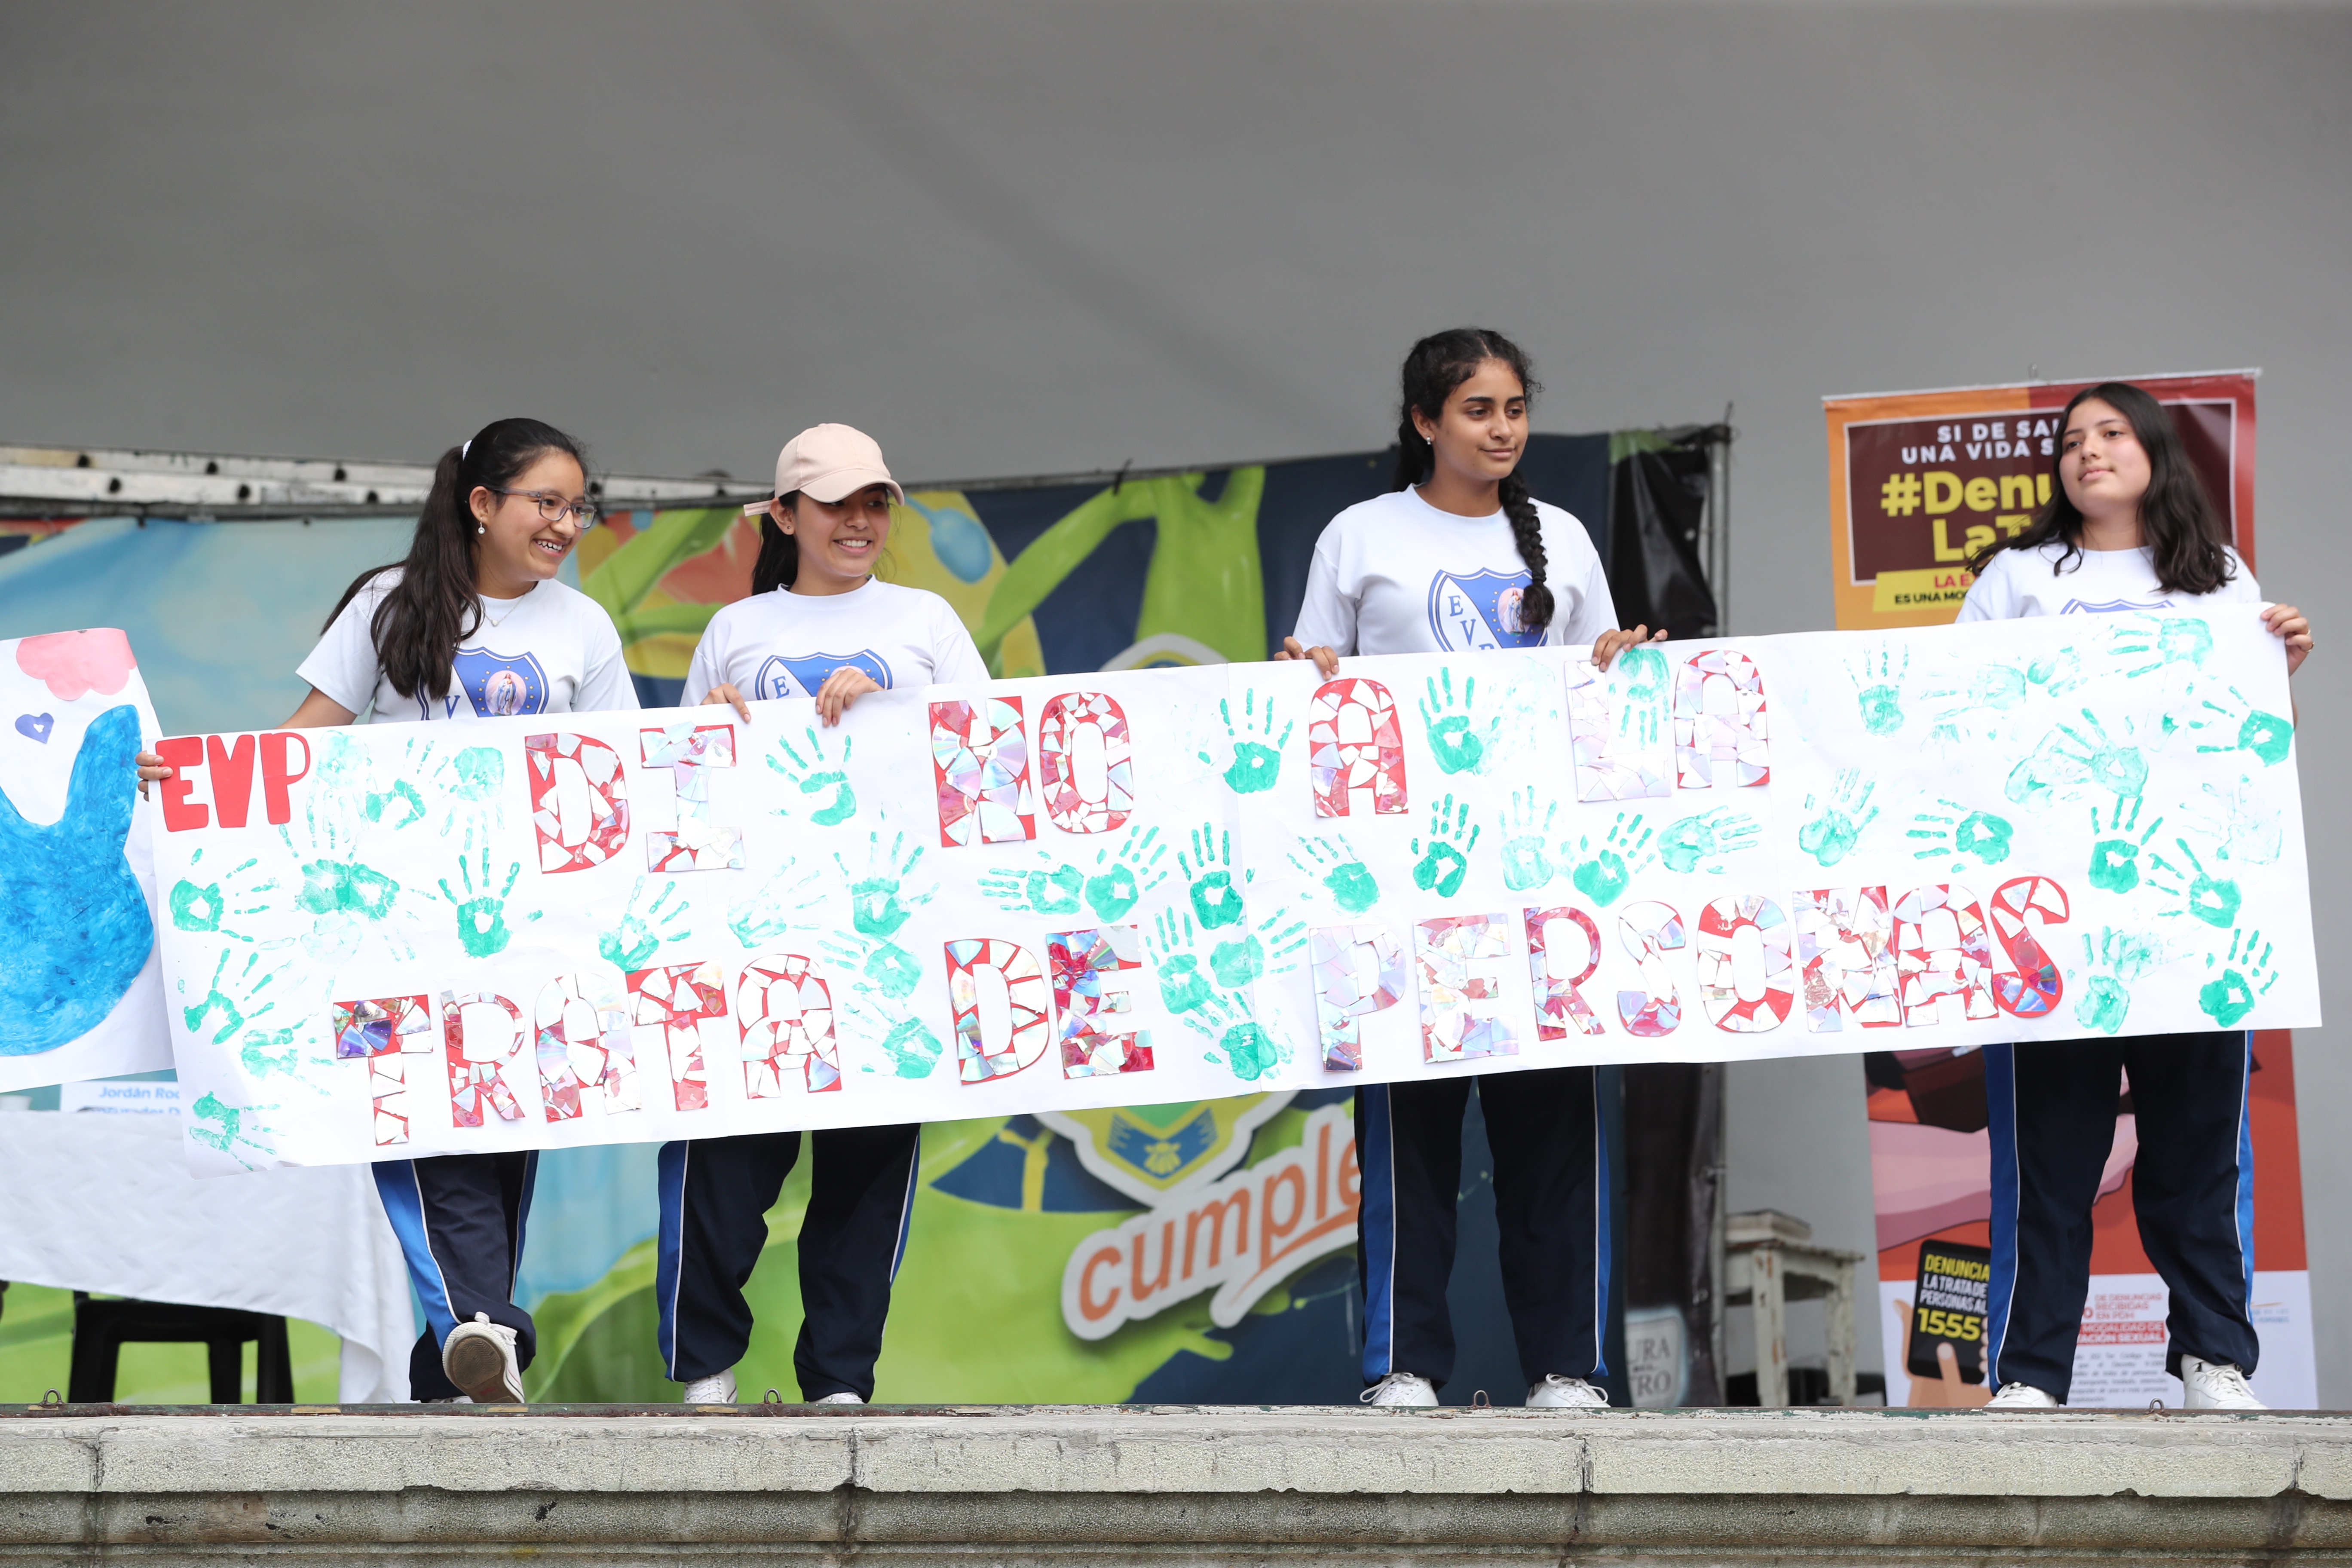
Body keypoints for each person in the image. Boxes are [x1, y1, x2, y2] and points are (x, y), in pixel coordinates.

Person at [139, 416, 636, 1404]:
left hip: (524, 942)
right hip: (391, 937)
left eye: (578, 507)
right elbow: (299, 745)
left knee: (501, 1137)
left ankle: (452, 1362)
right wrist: (190, 776)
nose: (567, 524)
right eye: (547, 502)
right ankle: (477, 1327)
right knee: (419, 1126)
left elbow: (622, 773)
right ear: (482, 504)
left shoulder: (582, 628)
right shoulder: (390, 606)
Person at [1278, 329, 1663, 1409]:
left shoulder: (1568, 540)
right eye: (1476, 411)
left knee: (1553, 1135)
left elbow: (1598, 689)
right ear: (1423, 423)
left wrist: (1626, 668)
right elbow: (1310, 681)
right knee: (1409, 1134)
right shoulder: (1360, 537)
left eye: (1512, 410)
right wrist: (1302, 674)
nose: (1500, 430)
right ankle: (1403, 1364)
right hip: (1401, 889)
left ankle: (1567, 1368)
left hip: (1543, 885)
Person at [1959, 381, 2312, 1411]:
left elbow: (2242, 740)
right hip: (2050, 918)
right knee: (2049, 1164)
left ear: (2156, 450)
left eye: (2111, 434)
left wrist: (2277, 658)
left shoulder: (2219, 578)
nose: (2089, 453)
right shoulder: (2018, 577)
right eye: (2071, 441)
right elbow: (1955, 719)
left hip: (2191, 917)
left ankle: (2215, 1359)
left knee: (2195, 1159)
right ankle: (2027, 1378)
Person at [659, 423, 984, 1406]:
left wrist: (899, 698)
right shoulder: (737, 630)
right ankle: (706, 1367)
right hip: (754, 938)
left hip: (889, 941)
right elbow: (682, 796)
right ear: (785, 516)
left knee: (868, 1168)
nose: (859, 522)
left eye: (875, 502)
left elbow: (991, 763)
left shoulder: (925, 621)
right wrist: (709, 725)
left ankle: (840, 1380)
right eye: (837, 503)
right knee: (724, 1158)